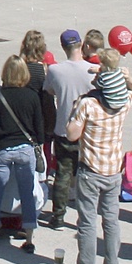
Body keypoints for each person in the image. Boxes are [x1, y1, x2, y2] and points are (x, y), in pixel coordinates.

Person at [61, 45, 128, 264]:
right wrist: (117, 73)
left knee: (88, 222)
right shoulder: (124, 104)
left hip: (91, 171)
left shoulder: (88, 105)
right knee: (111, 221)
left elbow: (71, 135)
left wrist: (75, 109)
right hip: (114, 171)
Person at [0, 54, 44, 254]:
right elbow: (39, 131)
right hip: (24, 149)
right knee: (27, 193)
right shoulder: (32, 96)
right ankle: (29, 237)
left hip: (2, 149)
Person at [43, 29, 95, 229]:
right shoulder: (92, 70)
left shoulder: (55, 70)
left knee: (62, 175)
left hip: (63, 129)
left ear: (63, 47)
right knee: (85, 176)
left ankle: (58, 216)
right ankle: (85, 217)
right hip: (87, 132)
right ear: (81, 45)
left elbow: (49, 91)